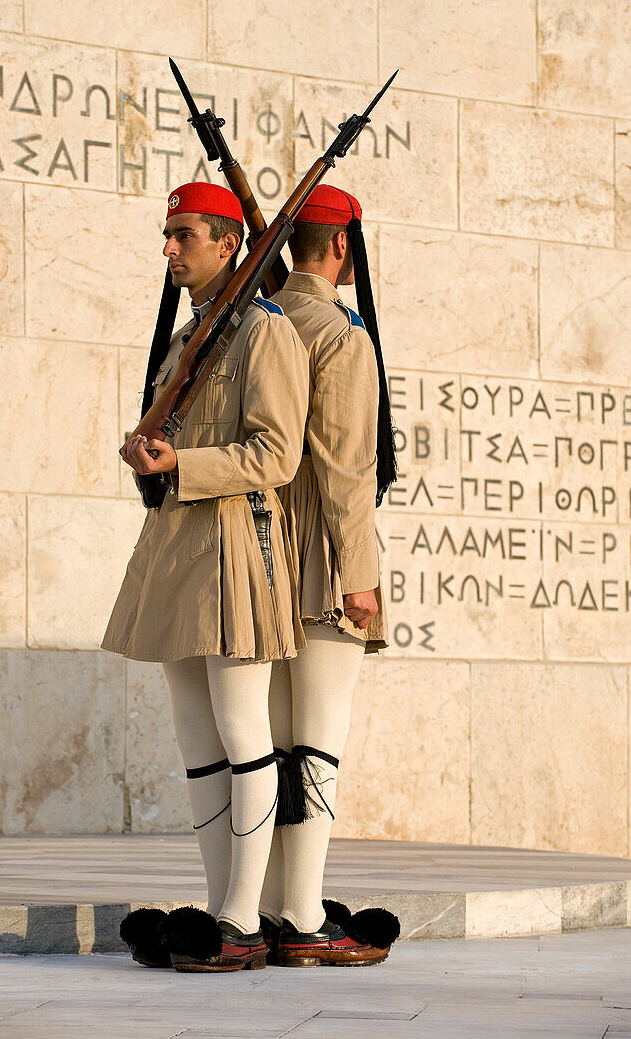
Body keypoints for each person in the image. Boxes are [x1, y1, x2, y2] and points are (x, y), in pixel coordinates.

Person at [103, 181, 309, 972]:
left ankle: (241, 921)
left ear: (229, 244)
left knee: (241, 731)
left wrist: (181, 461)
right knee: (196, 737)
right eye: (167, 235)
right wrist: (148, 459)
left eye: (182, 235)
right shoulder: (190, 336)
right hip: (175, 545)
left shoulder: (264, 333)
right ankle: (222, 909)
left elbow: (277, 455)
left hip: (233, 546)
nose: (168, 249)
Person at [259, 183, 399, 966]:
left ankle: (273, 904)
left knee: (275, 747)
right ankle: (305, 917)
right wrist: (360, 574)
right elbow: (347, 470)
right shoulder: (341, 335)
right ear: (343, 247)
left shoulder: (260, 320)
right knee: (318, 745)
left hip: (263, 562)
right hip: (320, 562)